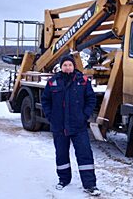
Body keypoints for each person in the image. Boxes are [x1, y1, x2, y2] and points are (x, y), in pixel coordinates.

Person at [41, 55, 101, 196]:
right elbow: (45, 101)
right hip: (59, 126)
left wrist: (84, 115)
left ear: (74, 66)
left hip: (78, 126)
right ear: (61, 67)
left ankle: (90, 185)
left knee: (85, 155)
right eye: (65, 65)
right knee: (61, 155)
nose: (67, 67)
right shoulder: (53, 82)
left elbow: (91, 99)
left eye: (70, 65)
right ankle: (63, 180)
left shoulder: (83, 81)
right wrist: (51, 117)